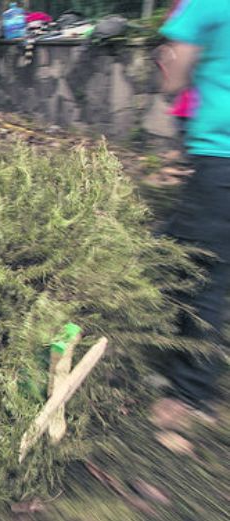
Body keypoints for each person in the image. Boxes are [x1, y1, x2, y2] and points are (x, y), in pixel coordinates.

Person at [152, 0, 230, 425]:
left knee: (201, 270)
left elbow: (177, 63)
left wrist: (172, 83)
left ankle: (190, 394)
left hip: (221, 154)